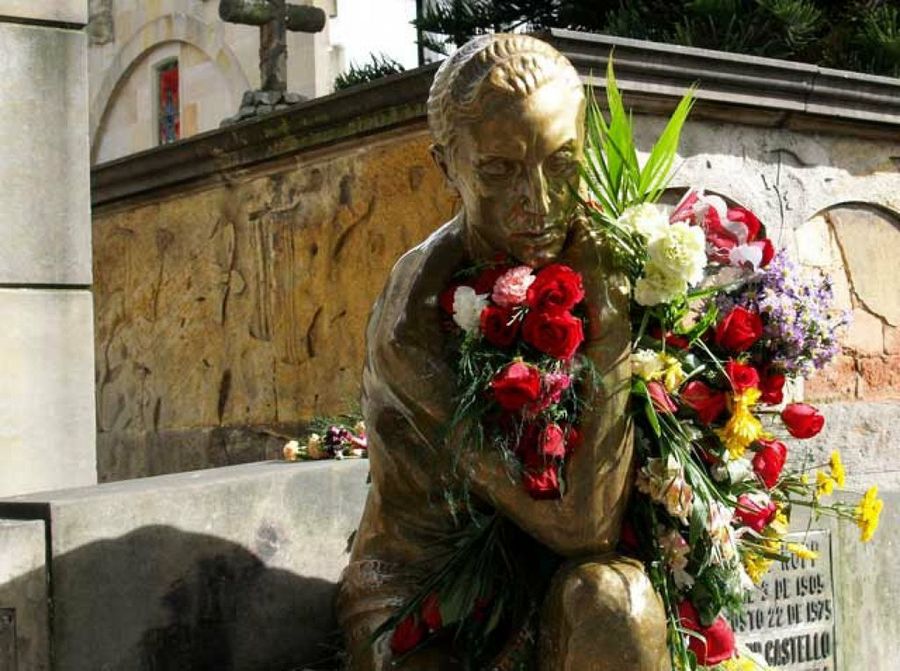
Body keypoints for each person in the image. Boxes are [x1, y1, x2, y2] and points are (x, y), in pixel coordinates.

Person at [337, 34, 669, 671]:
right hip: (431, 593)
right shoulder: (416, 318)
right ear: (446, 166)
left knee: (619, 605)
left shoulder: (618, 253)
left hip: (554, 575)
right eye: (499, 170)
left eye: (563, 162)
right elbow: (583, 524)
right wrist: (607, 323)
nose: (539, 204)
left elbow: (592, 547)